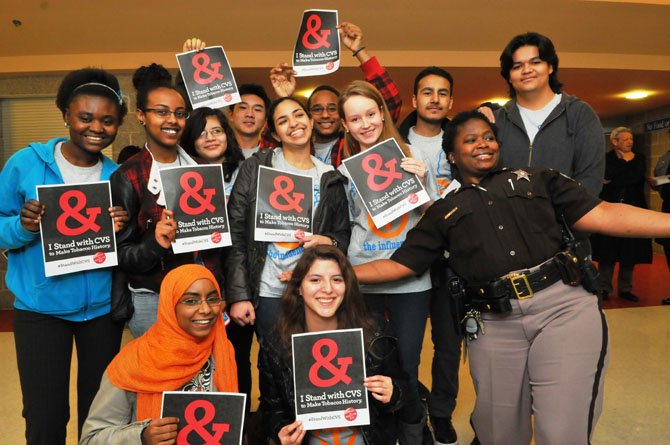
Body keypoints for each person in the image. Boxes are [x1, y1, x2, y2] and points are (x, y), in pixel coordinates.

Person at [354, 110, 670, 444]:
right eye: (471, 140)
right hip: (493, 322)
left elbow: (604, 212)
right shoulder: (442, 212)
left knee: (561, 429)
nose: (483, 145)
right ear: (451, 154)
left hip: (562, 309)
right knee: (498, 431)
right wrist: (337, 273)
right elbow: (401, 265)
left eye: (489, 137)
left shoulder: (538, 179)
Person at [0, 68, 129, 443]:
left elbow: (128, 245)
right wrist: (22, 227)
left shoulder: (117, 175)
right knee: (44, 414)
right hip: (40, 312)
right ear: (66, 116)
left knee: (100, 413)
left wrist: (121, 227)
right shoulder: (25, 164)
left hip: (102, 312)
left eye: (107, 121)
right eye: (85, 117)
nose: (96, 128)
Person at [224, 96, 350, 428]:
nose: (294, 123)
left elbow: (342, 234)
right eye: (283, 120)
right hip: (266, 288)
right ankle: (275, 431)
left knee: (310, 367)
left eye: (298, 115)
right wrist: (238, 295)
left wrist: (329, 242)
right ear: (275, 132)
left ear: (310, 121)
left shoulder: (330, 177)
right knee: (273, 369)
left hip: (312, 292)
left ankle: (310, 430)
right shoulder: (257, 166)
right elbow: (236, 231)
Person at [337, 80, 439, 442]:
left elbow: (436, 218)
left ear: (382, 112)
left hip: (410, 282)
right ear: (345, 125)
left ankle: (411, 436)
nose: (365, 123)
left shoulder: (413, 155)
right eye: (355, 118)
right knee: (365, 368)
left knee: (407, 366)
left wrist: (423, 183)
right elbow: (344, 226)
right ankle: (375, 436)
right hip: (361, 279)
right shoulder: (344, 170)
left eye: (370, 113)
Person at [258, 245, 426, 444]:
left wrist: (393, 392)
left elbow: (405, 391)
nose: (327, 289)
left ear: (347, 286)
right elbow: (271, 409)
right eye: (315, 280)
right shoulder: (275, 342)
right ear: (299, 288)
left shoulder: (376, 331)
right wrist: (280, 430)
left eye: (337, 280)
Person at [111, 63, 223, 338]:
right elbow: (121, 254)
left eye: (179, 113)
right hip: (153, 298)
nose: (172, 120)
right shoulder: (128, 175)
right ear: (141, 116)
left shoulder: (202, 170)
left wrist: (221, 290)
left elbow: (217, 245)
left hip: (203, 295)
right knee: (159, 379)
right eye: (161, 112)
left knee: (203, 378)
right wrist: (154, 244)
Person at [79, 264, 238, 444]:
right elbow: (91, 439)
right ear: (170, 306)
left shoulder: (222, 349)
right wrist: (141, 436)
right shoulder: (134, 361)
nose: (206, 309)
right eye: (190, 301)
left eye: (212, 299)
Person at [397, 65, 459, 445]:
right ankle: (408, 410)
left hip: (452, 258)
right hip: (405, 255)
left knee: (449, 343)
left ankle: (441, 411)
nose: (434, 99)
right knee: (406, 344)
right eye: (427, 92)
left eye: (442, 93)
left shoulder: (461, 139)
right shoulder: (392, 142)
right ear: (414, 99)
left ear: (451, 101)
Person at [483, 32, 605, 197]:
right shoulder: (496, 120)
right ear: (509, 76)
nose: (526, 70)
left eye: (535, 62)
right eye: (517, 66)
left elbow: (591, 180)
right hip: (505, 220)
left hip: (563, 220)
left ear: (550, 67)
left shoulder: (580, 114)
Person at [269, 21, 403, 167]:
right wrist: (284, 98)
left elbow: (390, 102)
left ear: (343, 117)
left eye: (332, 108)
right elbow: (273, 136)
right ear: (309, 117)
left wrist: (358, 50)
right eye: (317, 109)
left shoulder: (354, 143)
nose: (325, 115)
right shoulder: (295, 144)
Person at [591, 127, 652, 302]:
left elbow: (634, 177)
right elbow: (606, 174)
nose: (630, 142)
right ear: (615, 141)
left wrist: (614, 179)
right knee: (607, 251)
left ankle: (625, 288)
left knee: (630, 251)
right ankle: (604, 288)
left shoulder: (639, 158)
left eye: (631, 139)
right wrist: (617, 173)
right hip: (610, 209)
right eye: (625, 139)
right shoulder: (606, 158)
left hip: (635, 208)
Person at [181, 106, 244, 196]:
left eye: (216, 131)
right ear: (191, 140)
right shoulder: (183, 177)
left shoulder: (247, 170)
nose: (210, 138)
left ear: (227, 135)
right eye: (201, 133)